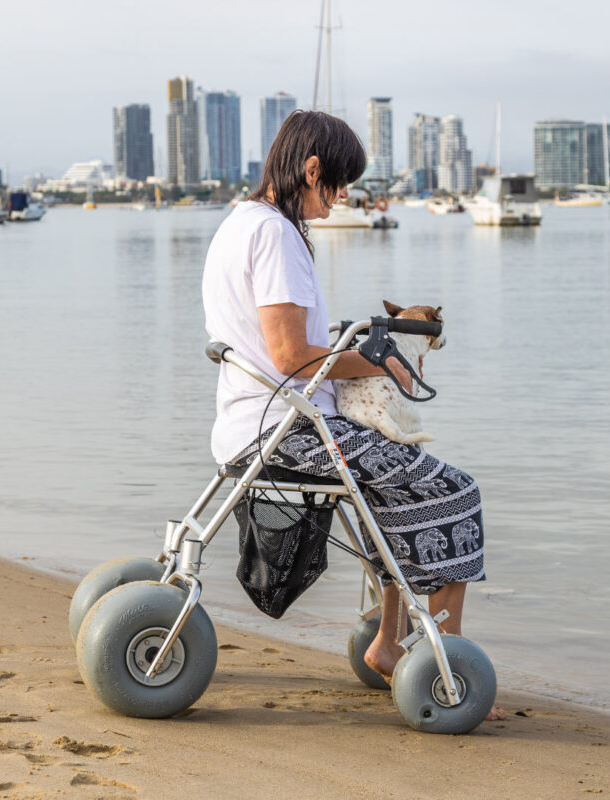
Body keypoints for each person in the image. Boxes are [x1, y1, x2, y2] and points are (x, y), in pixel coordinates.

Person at [202, 110, 504, 720]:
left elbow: (275, 346)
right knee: (457, 492)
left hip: (250, 425)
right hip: (288, 431)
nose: (342, 198)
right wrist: (378, 365)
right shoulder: (278, 235)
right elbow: (290, 356)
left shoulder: (242, 223)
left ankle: (390, 645)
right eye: (338, 184)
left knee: (392, 487)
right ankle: (445, 665)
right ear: (311, 170)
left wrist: (347, 347)